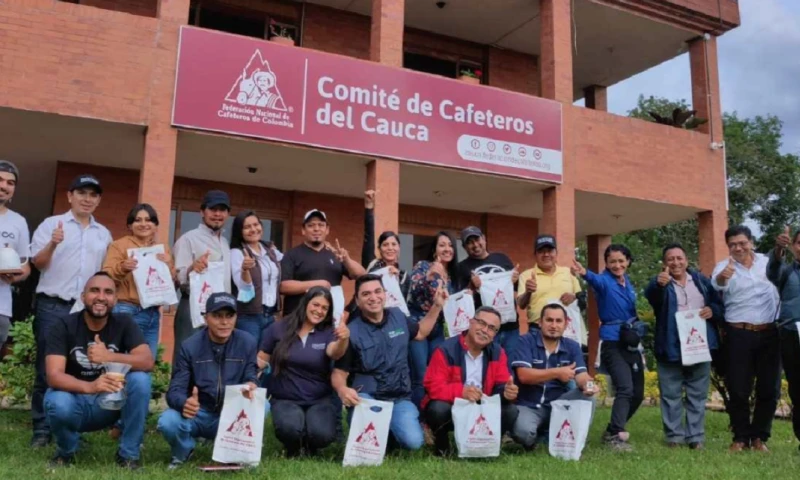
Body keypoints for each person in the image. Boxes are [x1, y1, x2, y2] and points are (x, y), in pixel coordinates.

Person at [29, 174, 111, 447]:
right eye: (82, 193)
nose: (87, 199)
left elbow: (104, 276)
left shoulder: (103, 234)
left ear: (98, 200)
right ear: (70, 196)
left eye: (93, 195)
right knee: (46, 367)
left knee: (79, 368)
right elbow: (38, 264)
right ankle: (41, 429)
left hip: (83, 311)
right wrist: (53, 243)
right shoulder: (52, 224)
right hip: (52, 305)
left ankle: (71, 427)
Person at [43, 272, 153, 469]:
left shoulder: (124, 323)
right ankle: (67, 450)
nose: (101, 297)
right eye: (94, 290)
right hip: (74, 400)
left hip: (111, 403)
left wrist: (108, 356)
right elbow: (54, 376)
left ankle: (128, 455)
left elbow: (146, 361)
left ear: (115, 299)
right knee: (56, 401)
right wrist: (91, 386)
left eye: (108, 292)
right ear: (83, 296)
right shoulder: (63, 325)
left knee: (141, 381)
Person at [332, 274, 448, 451]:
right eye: (366, 294)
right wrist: (342, 389)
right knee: (368, 444)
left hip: (399, 397)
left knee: (414, 442)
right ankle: (369, 430)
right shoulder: (352, 332)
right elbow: (339, 373)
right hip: (368, 397)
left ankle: (388, 435)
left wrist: (437, 305)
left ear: (385, 294)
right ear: (357, 299)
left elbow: (421, 332)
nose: (373, 297)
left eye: (378, 291)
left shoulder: (398, 316)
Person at [157, 292, 265, 469]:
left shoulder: (248, 342)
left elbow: (251, 375)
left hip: (231, 415)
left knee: (263, 406)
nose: (224, 322)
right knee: (168, 421)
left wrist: (252, 385)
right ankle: (184, 451)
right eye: (217, 316)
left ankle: (234, 452)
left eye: (229, 316)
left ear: (236, 317)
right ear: (206, 318)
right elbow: (174, 391)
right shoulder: (190, 346)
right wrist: (185, 403)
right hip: (198, 413)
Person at [645, 243, 723, 449]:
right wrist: (658, 284)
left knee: (697, 394)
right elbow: (651, 295)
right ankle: (674, 438)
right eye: (670, 259)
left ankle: (695, 437)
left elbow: (718, 304)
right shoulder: (661, 282)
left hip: (699, 345)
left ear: (687, 261)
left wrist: (711, 310)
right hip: (670, 345)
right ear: (665, 263)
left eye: (679, 258)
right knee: (671, 394)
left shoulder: (701, 281)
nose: (676, 262)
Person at [257, 287, 350, 456]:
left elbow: (334, 352)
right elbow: (262, 359)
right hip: (286, 397)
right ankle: (293, 446)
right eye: (316, 304)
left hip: (319, 399)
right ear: (306, 303)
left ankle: (310, 446)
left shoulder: (328, 332)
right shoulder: (279, 328)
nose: (319, 310)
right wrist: (250, 378)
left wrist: (343, 339)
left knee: (323, 434)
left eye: (324, 308)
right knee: (290, 428)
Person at [712, 225, 780, 452]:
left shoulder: (767, 262)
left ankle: (760, 437)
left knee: (769, 388)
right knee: (739, 388)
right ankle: (741, 437)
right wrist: (724, 277)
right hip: (738, 333)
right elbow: (718, 283)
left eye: (742, 243)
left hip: (770, 332)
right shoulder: (723, 267)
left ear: (751, 242)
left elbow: (782, 276)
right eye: (733, 245)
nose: (738, 248)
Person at [422, 306, 520, 456]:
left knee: (510, 411)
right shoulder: (445, 350)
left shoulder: (498, 352)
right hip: (453, 405)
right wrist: (461, 392)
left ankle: (488, 445)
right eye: (481, 323)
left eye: (492, 328)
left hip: (481, 404)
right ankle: (442, 447)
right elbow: (433, 386)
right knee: (437, 409)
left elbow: (500, 386)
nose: (485, 330)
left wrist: (506, 393)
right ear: (470, 322)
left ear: (495, 334)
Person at [571, 244, 640, 451]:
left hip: (632, 341)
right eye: (612, 262)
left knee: (636, 393)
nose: (617, 265)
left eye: (621, 261)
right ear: (607, 264)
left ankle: (612, 428)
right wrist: (584, 273)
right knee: (625, 388)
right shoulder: (603, 282)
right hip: (612, 342)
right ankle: (615, 434)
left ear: (627, 261)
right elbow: (595, 279)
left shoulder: (627, 283)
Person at [510, 303, 598, 451]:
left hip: (558, 404)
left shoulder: (572, 346)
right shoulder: (525, 341)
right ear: (540, 322)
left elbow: (581, 374)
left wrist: (589, 386)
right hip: (529, 405)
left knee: (589, 397)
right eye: (549, 320)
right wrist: (557, 372)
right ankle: (541, 437)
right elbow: (524, 376)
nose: (554, 325)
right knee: (523, 434)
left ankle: (571, 439)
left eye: (559, 321)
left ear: (566, 324)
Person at [103, 203, 176, 358]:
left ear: (156, 225)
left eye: (149, 220)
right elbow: (106, 276)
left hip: (153, 312)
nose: (143, 224)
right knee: (123, 361)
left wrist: (169, 264)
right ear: (130, 225)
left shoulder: (162, 249)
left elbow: (172, 283)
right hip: (127, 309)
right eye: (138, 220)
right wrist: (123, 267)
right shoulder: (119, 245)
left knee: (148, 361)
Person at [172, 190, 232, 367]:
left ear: (227, 214)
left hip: (219, 311)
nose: (217, 214)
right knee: (186, 360)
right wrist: (192, 268)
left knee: (212, 363)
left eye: (222, 210)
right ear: (202, 212)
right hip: (192, 307)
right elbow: (178, 277)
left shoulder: (225, 243)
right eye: (213, 209)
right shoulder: (188, 239)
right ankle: (181, 395)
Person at [280, 209, 366, 316]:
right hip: (298, 319)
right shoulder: (291, 255)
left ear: (327, 229)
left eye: (321, 225)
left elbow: (361, 275)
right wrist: (316, 284)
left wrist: (346, 259)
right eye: (311, 225)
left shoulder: (335, 254)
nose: (316, 229)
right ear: (303, 230)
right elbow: (283, 287)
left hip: (328, 320)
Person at [407, 231, 459, 407]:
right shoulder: (423, 266)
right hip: (419, 329)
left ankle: (430, 417)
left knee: (436, 375)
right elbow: (413, 289)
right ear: (434, 249)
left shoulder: (451, 276)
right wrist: (428, 276)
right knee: (420, 376)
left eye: (450, 245)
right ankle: (418, 420)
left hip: (438, 332)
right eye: (442, 245)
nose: (447, 249)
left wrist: (464, 296)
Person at [456, 226, 520, 356]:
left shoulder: (502, 258)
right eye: (469, 242)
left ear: (484, 239)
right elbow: (461, 300)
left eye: (477, 239)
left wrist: (515, 279)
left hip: (510, 328)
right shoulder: (462, 268)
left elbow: (516, 290)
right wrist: (472, 287)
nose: (475, 245)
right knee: (487, 368)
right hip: (484, 330)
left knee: (510, 369)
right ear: (464, 248)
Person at [768, 226, 800, 450]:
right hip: (792, 336)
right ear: (794, 246)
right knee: (798, 390)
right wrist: (778, 250)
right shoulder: (787, 272)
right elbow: (772, 271)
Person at [230, 210, 282, 345]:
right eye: (247, 227)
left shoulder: (270, 251)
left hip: (270, 315)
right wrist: (245, 270)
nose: (253, 229)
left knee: (266, 359)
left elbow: (289, 263)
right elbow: (243, 289)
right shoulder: (237, 253)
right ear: (239, 231)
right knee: (248, 358)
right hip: (248, 317)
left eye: (256, 224)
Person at [517, 235, 583, 334]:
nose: (546, 254)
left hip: (567, 329)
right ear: (535, 255)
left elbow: (582, 301)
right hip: (537, 329)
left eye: (550, 250)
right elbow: (521, 305)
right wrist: (528, 292)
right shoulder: (526, 275)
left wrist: (574, 297)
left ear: (556, 253)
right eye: (541, 251)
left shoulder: (568, 273)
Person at [0, 160, 31, 348]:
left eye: (10, 183)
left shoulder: (18, 221)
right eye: (0, 180)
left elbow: (25, 266)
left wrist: (14, 275)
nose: (4, 186)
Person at [360, 190, 410, 296]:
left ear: (399, 248)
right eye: (385, 245)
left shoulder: (403, 276)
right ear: (379, 249)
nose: (390, 248)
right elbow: (368, 235)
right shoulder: (372, 264)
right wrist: (369, 207)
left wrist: (397, 280)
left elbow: (404, 303)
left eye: (393, 244)